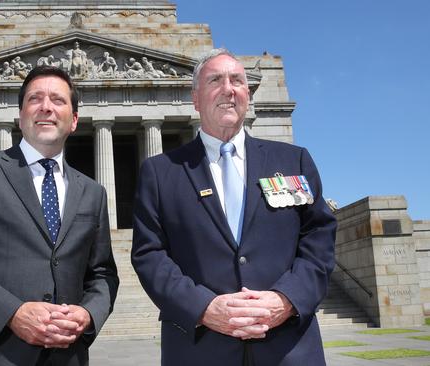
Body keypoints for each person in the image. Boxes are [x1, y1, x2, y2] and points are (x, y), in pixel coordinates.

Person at [131, 49, 336, 365]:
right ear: (195, 99)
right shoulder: (160, 172)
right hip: (199, 350)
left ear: (248, 95)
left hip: (289, 350)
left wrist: (285, 299)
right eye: (215, 80)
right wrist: (204, 308)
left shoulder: (293, 160)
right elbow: (149, 254)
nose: (228, 89)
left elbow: (319, 241)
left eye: (237, 80)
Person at [0, 65, 119, 366]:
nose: (46, 107)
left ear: (74, 120)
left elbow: (103, 273)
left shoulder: (93, 193)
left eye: (58, 100)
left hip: (67, 356)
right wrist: (12, 313)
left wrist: (88, 314)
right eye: (35, 99)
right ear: (20, 116)